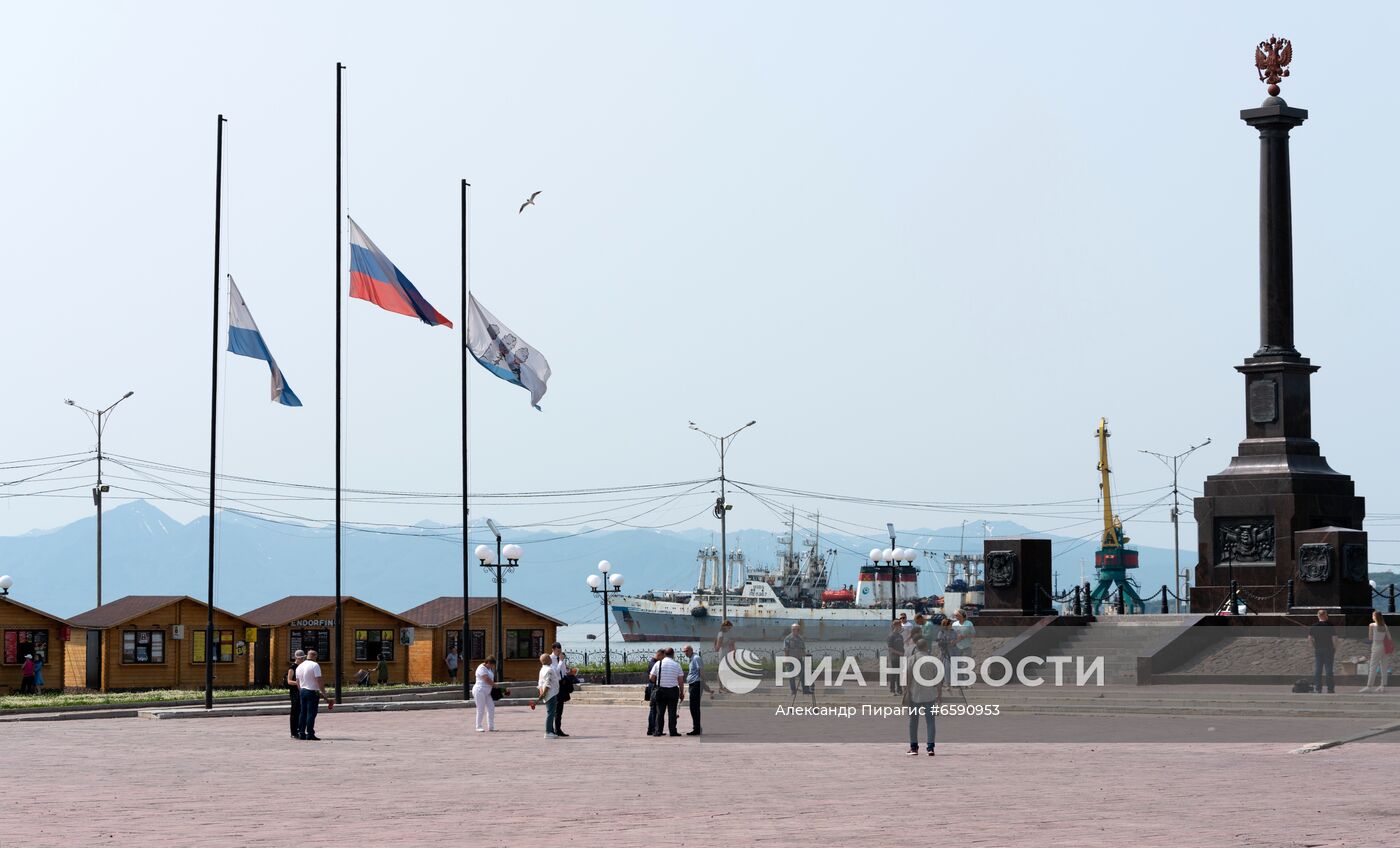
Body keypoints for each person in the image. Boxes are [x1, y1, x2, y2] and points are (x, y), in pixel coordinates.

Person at [905, 638, 937, 757]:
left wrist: (907, 690)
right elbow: (938, 678)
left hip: (915, 694)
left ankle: (914, 748)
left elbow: (908, 676)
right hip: (929, 694)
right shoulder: (933, 660)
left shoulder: (912, 659)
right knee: (930, 722)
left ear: (916, 647)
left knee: (913, 721)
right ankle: (930, 748)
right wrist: (938, 693)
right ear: (926, 647)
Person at [650, 647, 685, 737]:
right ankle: (673, 731)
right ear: (673, 655)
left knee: (660, 712)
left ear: (664, 654)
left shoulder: (658, 663)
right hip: (673, 691)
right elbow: (680, 680)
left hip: (661, 690)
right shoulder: (677, 665)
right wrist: (681, 692)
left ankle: (658, 731)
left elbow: (652, 678)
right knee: (672, 713)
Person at [295, 649, 326, 740]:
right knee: (311, 713)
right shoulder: (315, 665)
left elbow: (297, 681)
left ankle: (301, 733)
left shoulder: (299, 666)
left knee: (303, 713)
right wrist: (323, 691)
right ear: (315, 656)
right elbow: (318, 679)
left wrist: (301, 690)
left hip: (303, 691)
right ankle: (310, 733)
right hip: (312, 691)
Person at [682, 645, 710, 735]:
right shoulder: (692, 658)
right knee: (694, 707)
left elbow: (701, 670)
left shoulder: (696, 658)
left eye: (686, 651)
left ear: (690, 650)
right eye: (684, 651)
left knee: (694, 707)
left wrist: (704, 681)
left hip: (696, 684)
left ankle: (697, 728)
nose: (685, 653)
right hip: (694, 684)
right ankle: (697, 727)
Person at [1361, 611, 1391, 694]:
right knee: (1384, 667)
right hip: (1384, 647)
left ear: (1375, 616)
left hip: (1376, 646)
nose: (1372, 617)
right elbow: (1389, 637)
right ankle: (1383, 686)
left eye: (1372, 615)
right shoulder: (1384, 626)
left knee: (1373, 666)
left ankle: (1369, 686)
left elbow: (1370, 638)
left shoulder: (1372, 625)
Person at [1308, 609, 1335, 694]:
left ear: (1318, 616)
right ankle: (1330, 688)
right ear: (1325, 615)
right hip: (1329, 648)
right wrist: (1334, 648)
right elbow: (1334, 638)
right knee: (1329, 669)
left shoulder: (1314, 626)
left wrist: (1314, 646)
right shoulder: (1330, 625)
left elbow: (1310, 638)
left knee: (1318, 669)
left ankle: (1318, 688)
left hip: (1318, 649)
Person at [549, 642, 571, 736]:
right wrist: (561, 661)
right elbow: (555, 672)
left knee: (560, 708)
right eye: (557, 650)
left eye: (560, 650)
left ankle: (558, 729)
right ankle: (552, 729)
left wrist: (567, 670)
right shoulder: (550, 659)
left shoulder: (560, 658)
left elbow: (562, 671)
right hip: (555, 685)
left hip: (562, 684)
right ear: (553, 649)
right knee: (556, 709)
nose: (559, 652)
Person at [783, 623, 811, 696]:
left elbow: (803, 649)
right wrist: (786, 659)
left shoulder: (801, 638)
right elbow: (786, 650)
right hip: (791, 659)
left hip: (799, 659)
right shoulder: (788, 639)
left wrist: (805, 655)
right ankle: (793, 690)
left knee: (803, 675)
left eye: (798, 629)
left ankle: (805, 689)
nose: (797, 631)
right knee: (791, 676)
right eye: (795, 629)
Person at [537, 653, 561, 739]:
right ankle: (548, 732)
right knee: (551, 713)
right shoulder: (549, 670)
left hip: (546, 694)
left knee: (550, 712)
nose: (551, 659)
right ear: (548, 660)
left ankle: (551, 731)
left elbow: (540, 683)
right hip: (551, 694)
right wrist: (543, 693)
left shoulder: (542, 670)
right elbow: (547, 683)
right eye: (549, 658)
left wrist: (541, 693)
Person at [473, 656, 498, 732]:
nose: (492, 666)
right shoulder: (481, 668)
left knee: (491, 708)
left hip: (487, 692)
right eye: (491, 664)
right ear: (487, 662)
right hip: (480, 690)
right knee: (481, 709)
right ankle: (478, 726)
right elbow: (486, 679)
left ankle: (491, 726)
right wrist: (494, 685)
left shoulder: (489, 668)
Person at [285, 650, 305, 739]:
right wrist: (298, 683)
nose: (302, 659)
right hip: (294, 691)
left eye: (303, 658)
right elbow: (289, 681)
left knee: (301, 711)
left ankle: (299, 730)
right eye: (301, 658)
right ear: (296, 658)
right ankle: (293, 732)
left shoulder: (302, 666)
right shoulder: (292, 668)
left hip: (301, 690)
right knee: (295, 711)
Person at [646, 648, 665, 736]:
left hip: (651, 686)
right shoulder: (655, 663)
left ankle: (651, 729)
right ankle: (653, 729)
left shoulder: (651, 662)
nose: (663, 659)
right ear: (660, 655)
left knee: (653, 709)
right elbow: (653, 677)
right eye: (663, 657)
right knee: (654, 709)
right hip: (653, 687)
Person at [885, 621, 904, 695]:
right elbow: (890, 648)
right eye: (899, 625)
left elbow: (902, 646)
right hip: (894, 657)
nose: (900, 627)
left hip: (901, 657)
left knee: (900, 674)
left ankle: (899, 689)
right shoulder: (891, 636)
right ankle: (892, 689)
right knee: (894, 673)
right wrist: (899, 653)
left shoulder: (900, 636)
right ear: (895, 626)